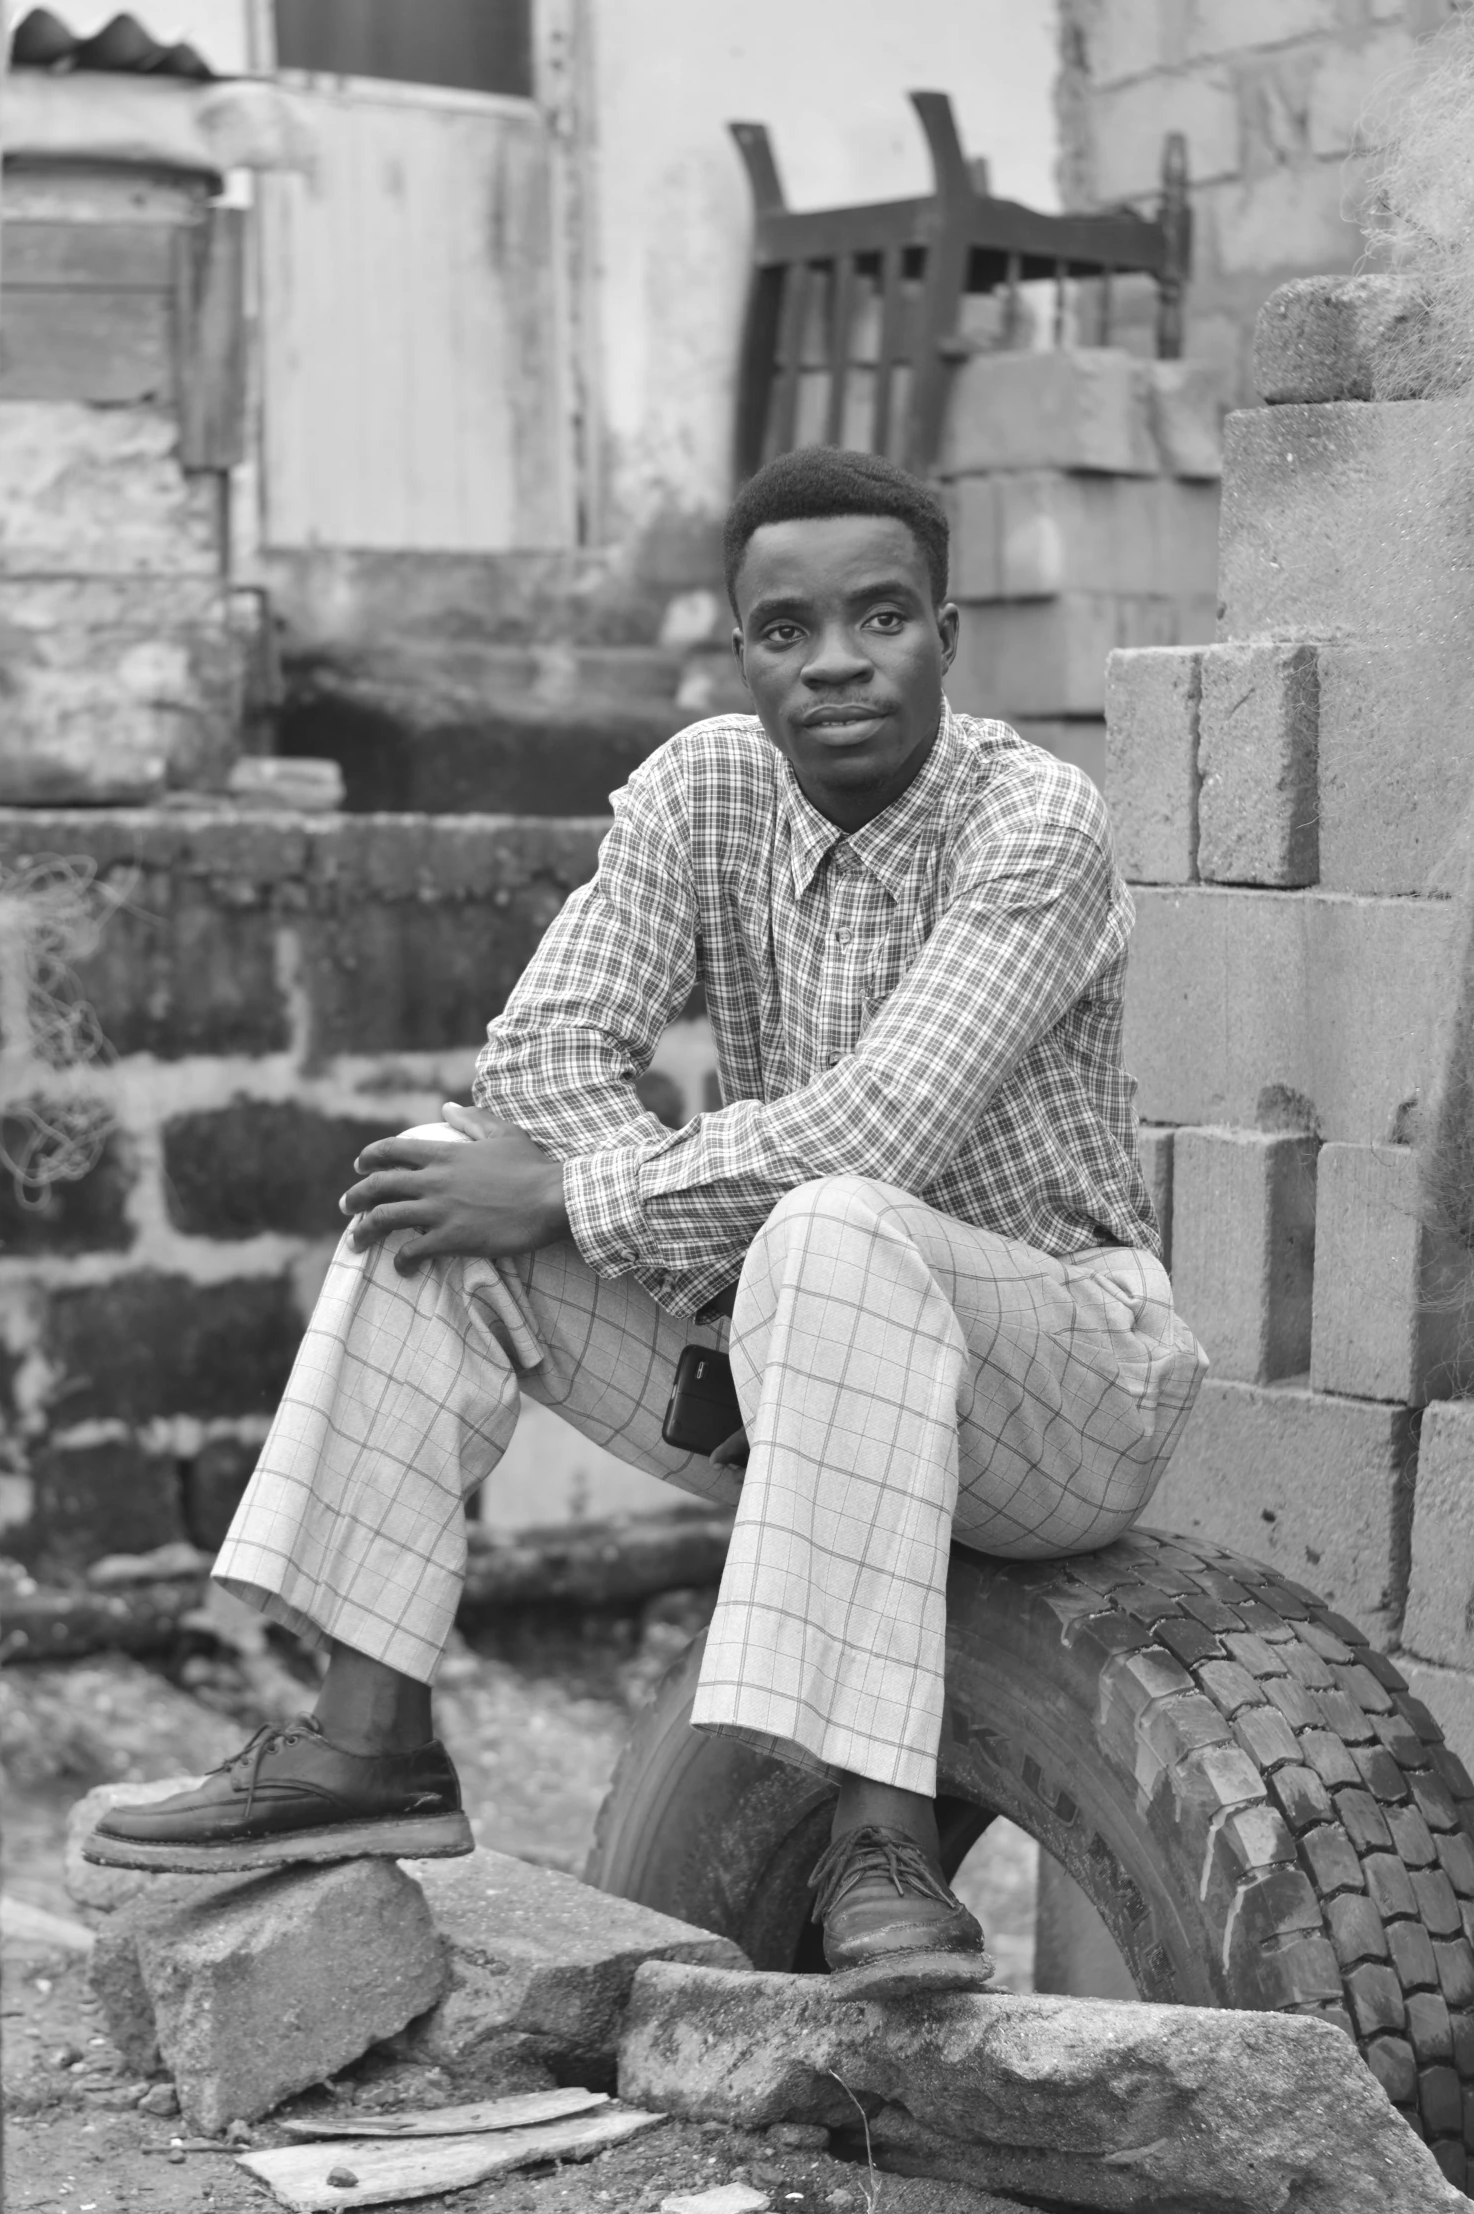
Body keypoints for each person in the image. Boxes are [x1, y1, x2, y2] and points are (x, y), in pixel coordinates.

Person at [88, 446, 1206, 1998]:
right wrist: (607, 1200)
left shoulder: (1035, 824)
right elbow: (539, 1057)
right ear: (739, 647)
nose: (831, 662)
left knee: (825, 1221)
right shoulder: (702, 788)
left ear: (947, 630)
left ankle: (878, 1843)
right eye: (784, 629)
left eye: (878, 618)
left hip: (1064, 1385)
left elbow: (880, 1125)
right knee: (433, 1183)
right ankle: (371, 1737)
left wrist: (582, 1188)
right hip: (796, 1336)